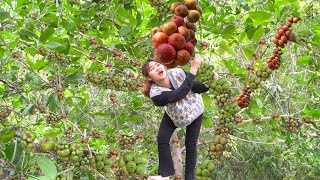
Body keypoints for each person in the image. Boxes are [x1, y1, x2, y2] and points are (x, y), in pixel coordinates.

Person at [141, 54, 209, 180]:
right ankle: (165, 175)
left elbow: (196, 87)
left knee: (190, 146)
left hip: (194, 110)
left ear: (163, 66)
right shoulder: (155, 95)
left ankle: (189, 178)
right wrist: (193, 70)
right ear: (149, 78)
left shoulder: (177, 72)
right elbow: (179, 94)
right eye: (152, 69)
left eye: (157, 65)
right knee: (162, 138)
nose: (157, 68)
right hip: (175, 114)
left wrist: (209, 83)